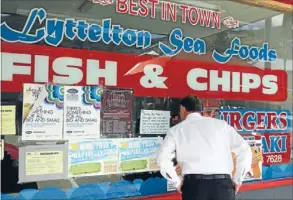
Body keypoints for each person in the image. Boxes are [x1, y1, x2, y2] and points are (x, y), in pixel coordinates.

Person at [157, 95, 252, 200]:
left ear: (183, 109)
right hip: (223, 186)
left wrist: (177, 182)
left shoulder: (176, 130)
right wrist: (238, 179)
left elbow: (162, 160)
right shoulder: (221, 126)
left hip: (194, 187)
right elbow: (245, 149)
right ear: (200, 110)